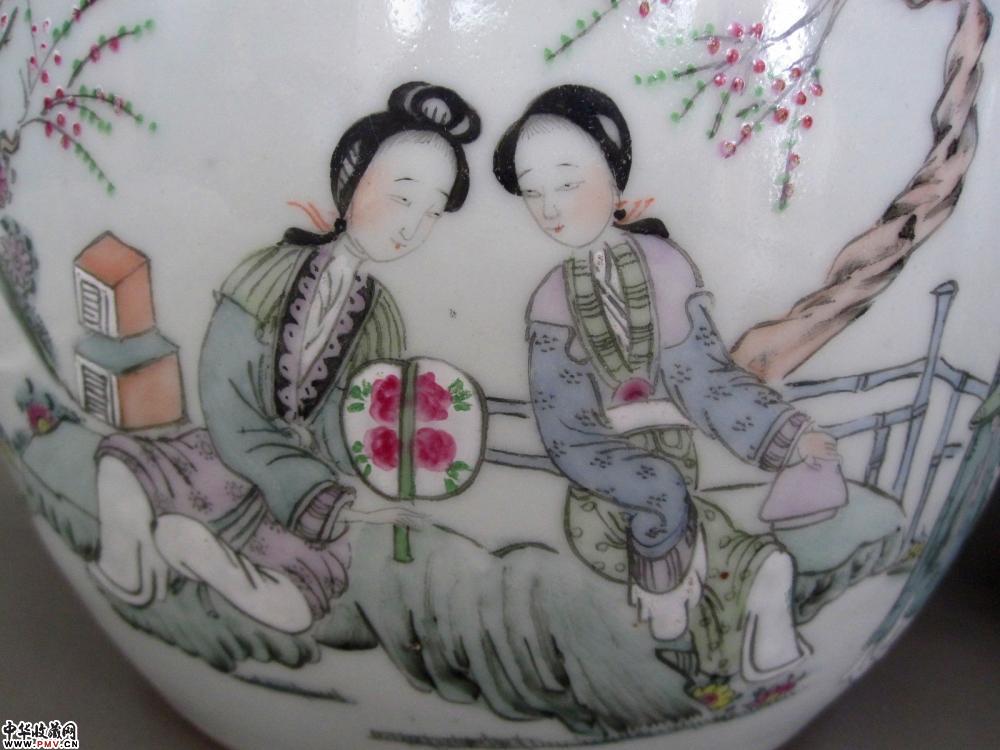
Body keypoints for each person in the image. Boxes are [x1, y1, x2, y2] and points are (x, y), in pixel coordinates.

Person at [88, 81, 481, 633]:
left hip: (307, 483)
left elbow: (356, 423)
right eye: (401, 197)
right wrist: (291, 475)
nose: (411, 226)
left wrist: (376, 462)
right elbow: (222, 391)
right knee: (119, 468)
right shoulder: (270, 271)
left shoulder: (384, 317)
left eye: (433, 212)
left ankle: (198, 554)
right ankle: (133, 565)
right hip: (230, 449)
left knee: (299, 605)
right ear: (351, 180)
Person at [494, 84, 838, 681]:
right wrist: (635, 458)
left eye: (567, 184)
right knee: (633, 519)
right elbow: (562, 421)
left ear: (615, 179)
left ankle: (731, 623)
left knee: (674, 513)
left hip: (675, 451)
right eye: (532, 192)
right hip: (600, 469)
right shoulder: (550, 299)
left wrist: (787, 435)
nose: (549, 208)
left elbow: (704, 378)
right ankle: (750, 586)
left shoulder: (666, 268)